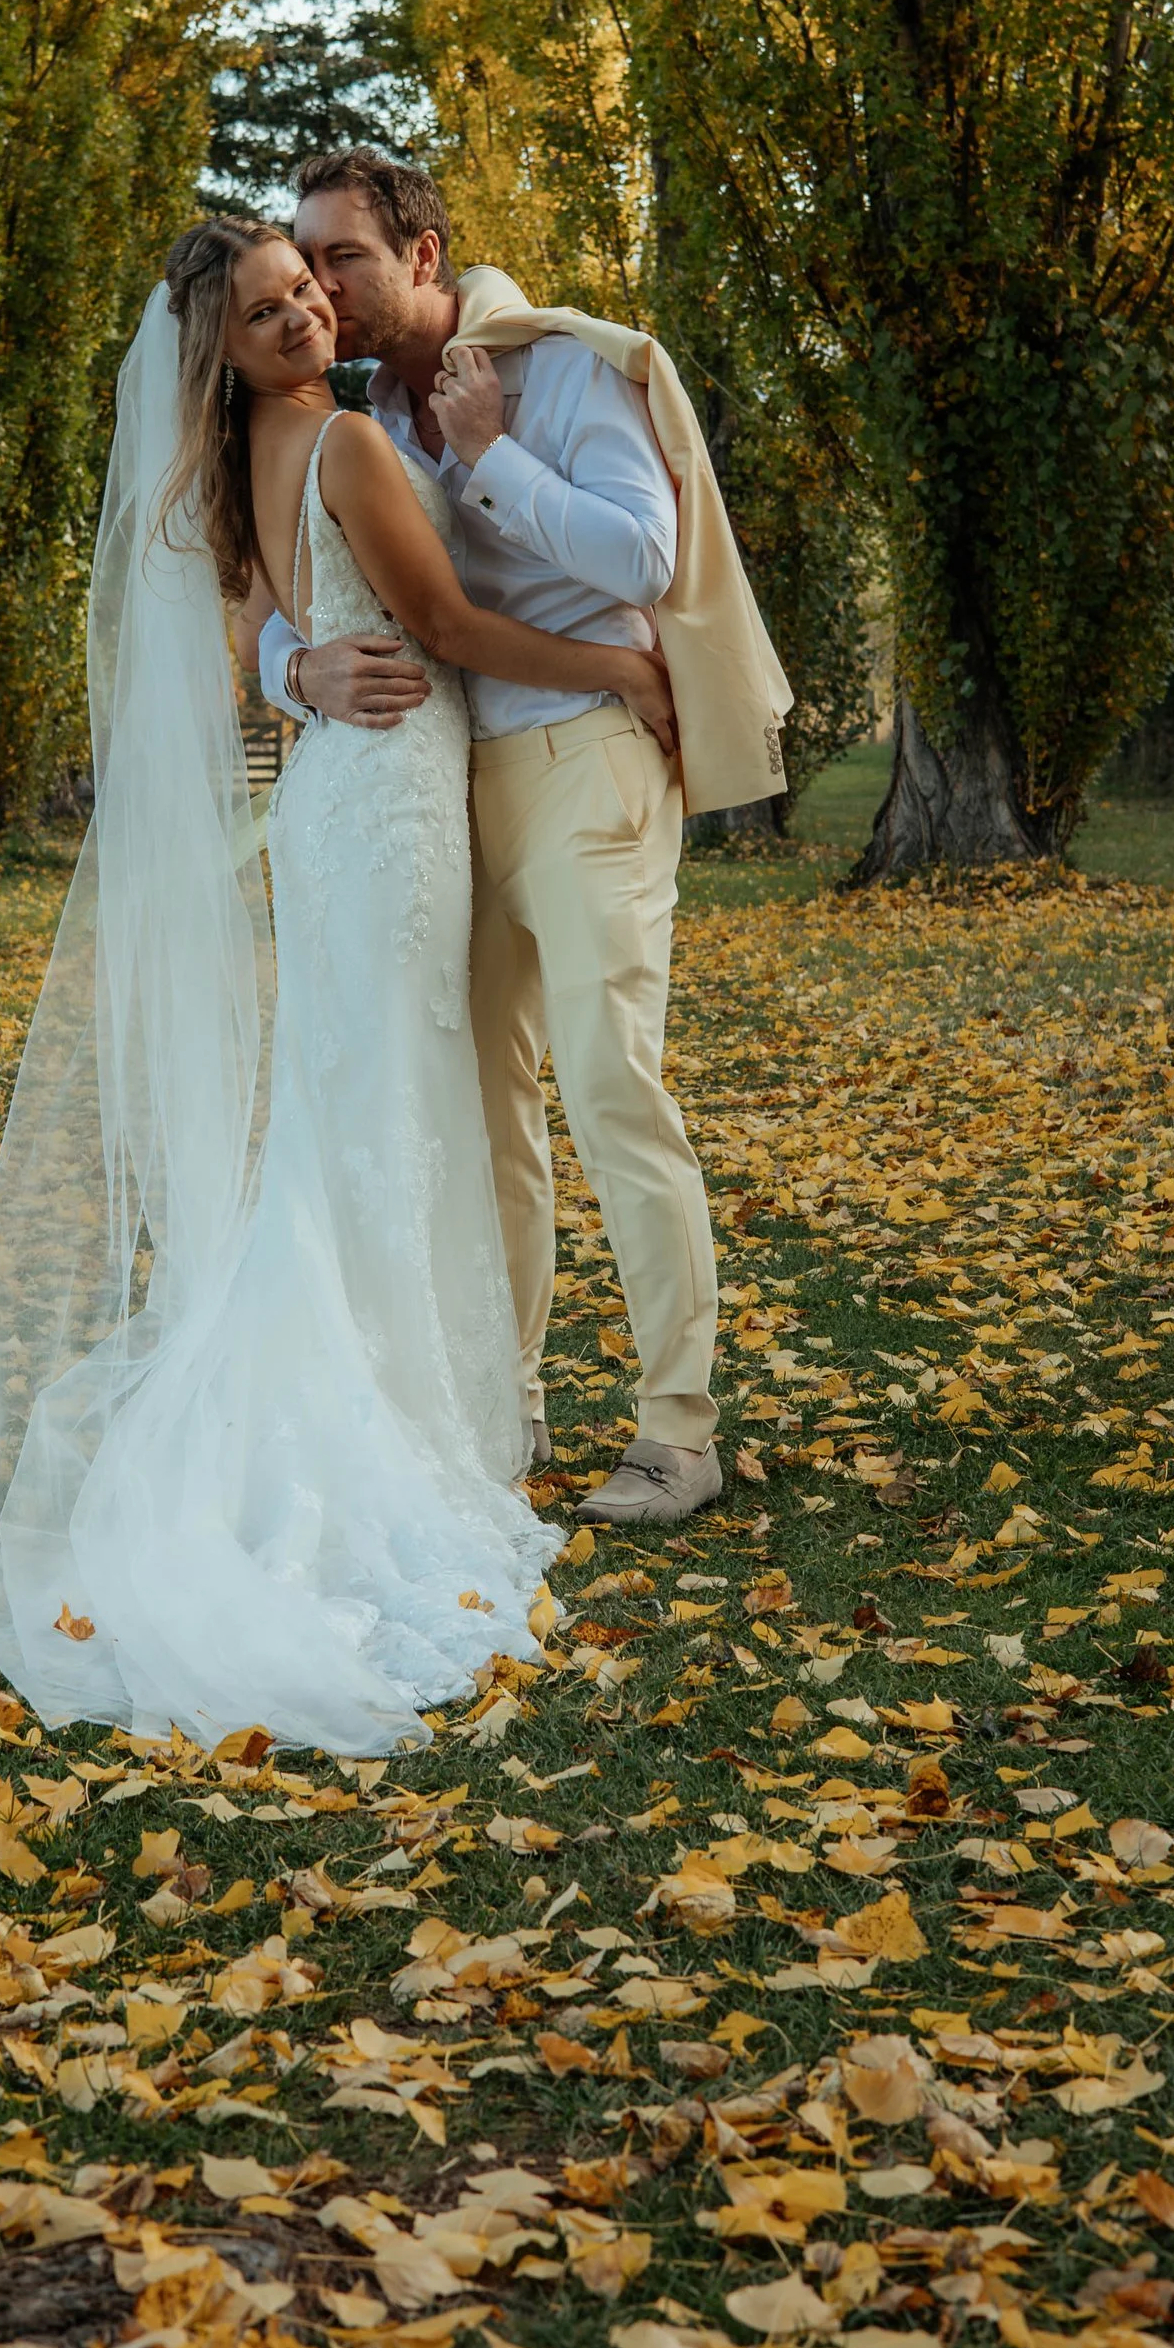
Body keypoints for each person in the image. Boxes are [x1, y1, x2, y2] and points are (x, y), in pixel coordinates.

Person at [0, 216, 680, 1756]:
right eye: (270, 309)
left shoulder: (247, 460)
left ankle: (407, 1397)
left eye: (304, 291)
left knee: (364, 1103)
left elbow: (275, 624)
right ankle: (397, 1430)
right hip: (390, 796)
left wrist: (295, 665)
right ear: (224, 348)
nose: (301, 316)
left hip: (349, 797)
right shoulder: (340, 440)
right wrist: (624, 669)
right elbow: (451, 627)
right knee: (395, 1096)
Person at [260, 149, 791, 1532]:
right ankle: (506, 1402)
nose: (322, 287)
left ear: (424, 256)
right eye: (306, 262)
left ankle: (679, 1435)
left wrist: (492, 452)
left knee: (613, 1087)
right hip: (452, 781)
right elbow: (259, 554)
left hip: (592, 760)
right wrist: (290, 669)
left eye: (345, 259)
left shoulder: (562, 371)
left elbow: (643, 558)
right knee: (484, 1105)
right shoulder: (365, 407)